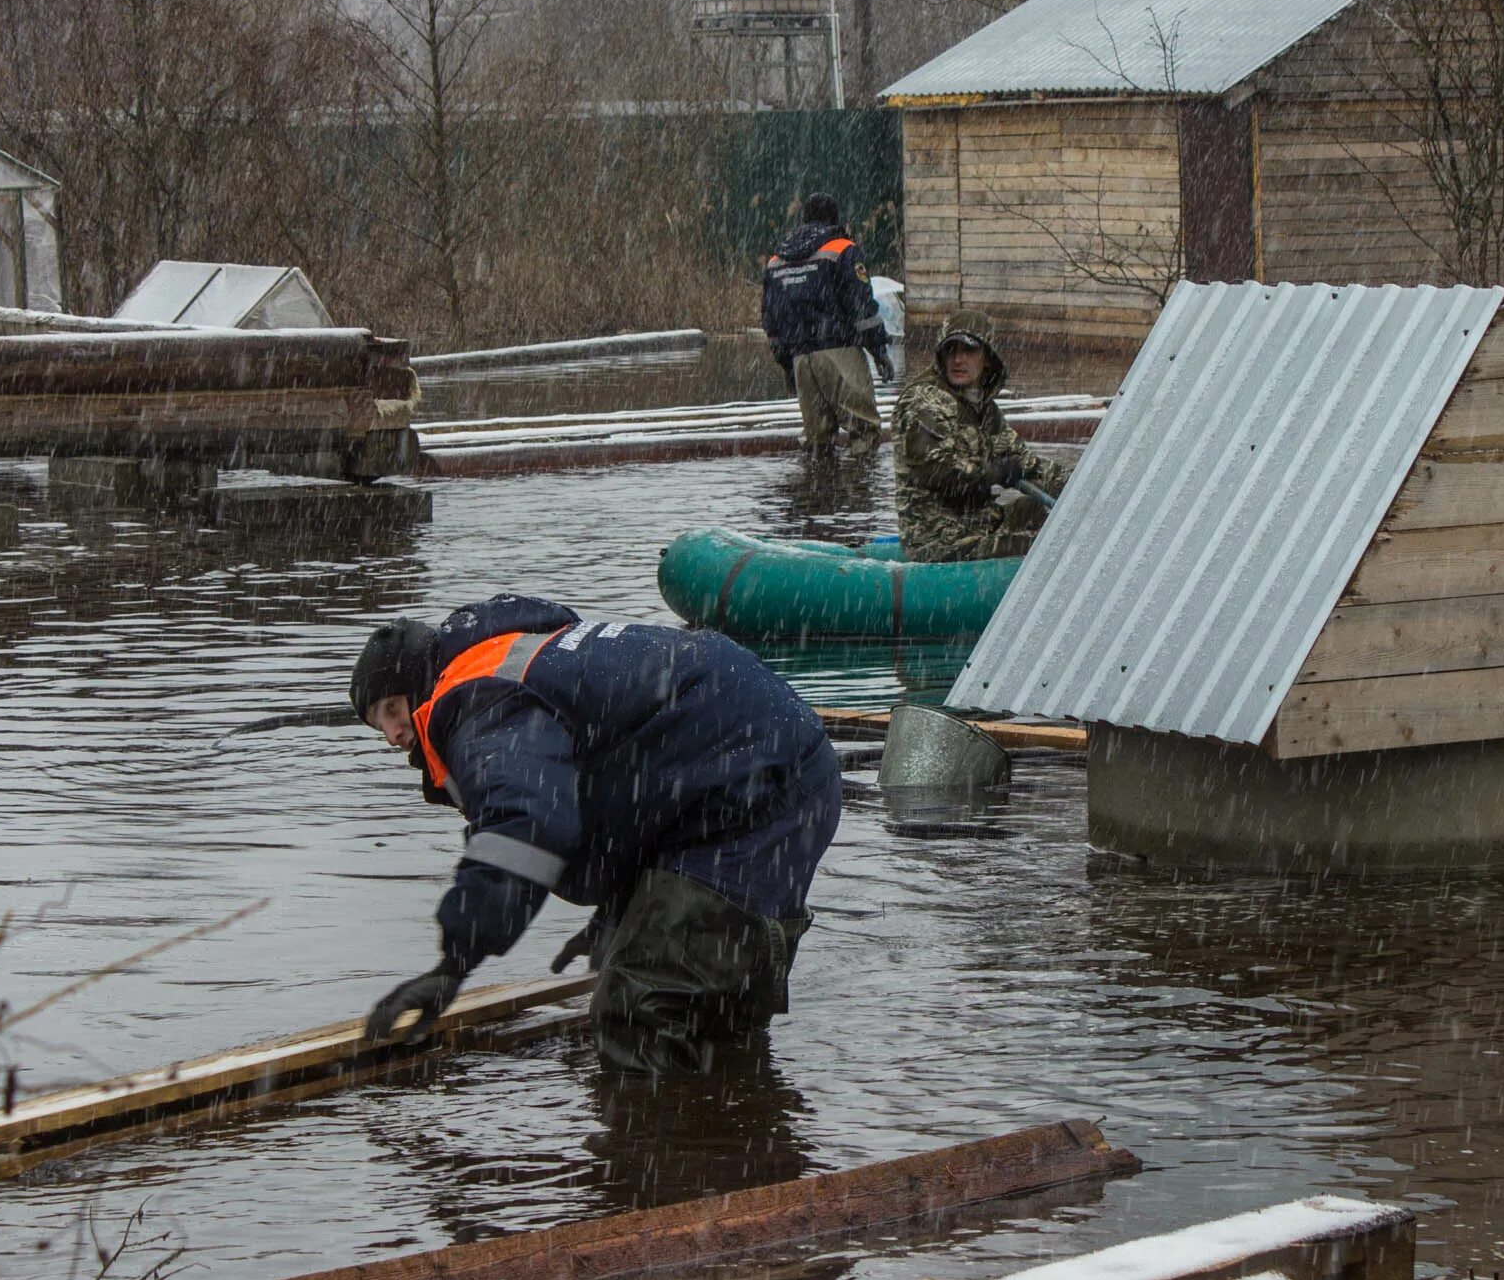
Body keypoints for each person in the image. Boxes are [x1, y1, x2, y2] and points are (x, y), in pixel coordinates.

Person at [347, 596, 839, 1077]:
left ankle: (666, 1145)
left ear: (419, 681)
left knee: (637, 1012)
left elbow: (525, 824)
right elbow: (623, 780)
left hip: (753, 790)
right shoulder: (514, 653)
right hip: (764, 762)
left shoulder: (475, 701)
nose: (393, 734)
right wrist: (621, 912)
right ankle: (744, 1119)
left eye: (392, 709)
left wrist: (454, 964)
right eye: (378, 726)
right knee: (713, 1011)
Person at [893, 307, 1070, 562]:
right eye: (950, 351)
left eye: (968, 351)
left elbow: (1027, 463)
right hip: (939, 541)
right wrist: (995, 472)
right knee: (1047, 545)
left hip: (980, 525)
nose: (957, 360)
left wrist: (1081, 483)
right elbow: (938, 471)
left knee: (1046, 511)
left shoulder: (986, 410)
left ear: (987, 357)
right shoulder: (923, 402)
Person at [760, 193, 887, 457]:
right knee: (863, 433)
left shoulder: (776, 260)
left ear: (803, 220)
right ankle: (860, 493)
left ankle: (817, 493)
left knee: (816, 442)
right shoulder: (842, 249)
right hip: (839, 350)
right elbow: (862, 309)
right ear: (835, 219)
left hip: (800, 358)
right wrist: (879, 352)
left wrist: (787, 366)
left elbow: (771, 323)